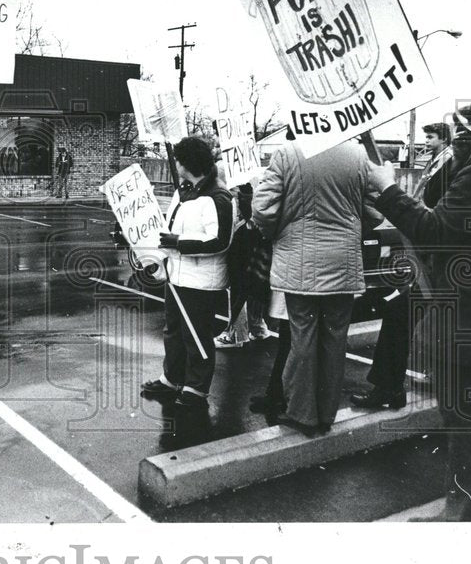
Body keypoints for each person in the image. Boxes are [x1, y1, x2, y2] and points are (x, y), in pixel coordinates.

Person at [367, 109, 471, 521]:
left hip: (468, 317)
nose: (459, 135)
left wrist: (388, 189)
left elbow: (434, 230)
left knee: (469, 426)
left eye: (467, 129)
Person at [252, 138, 377, 438]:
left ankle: (302, 413)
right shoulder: (357, 153)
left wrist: (278, 234)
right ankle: (326, 414)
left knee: (302, 336)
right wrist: (349, 229)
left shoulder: (288, 153)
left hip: (299, 261)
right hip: (343, 261)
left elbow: (263, 209)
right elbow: (374, 211)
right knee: (335, 338)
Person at [140, 136, 235, 450]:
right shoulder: (187, 193)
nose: (174, 165)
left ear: (187, 163)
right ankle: (172, 379)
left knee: (197, 335)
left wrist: (175, 243)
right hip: (178, 276)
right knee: (175, 330)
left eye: (178, 160)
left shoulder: (219, 197)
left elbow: (219, 241)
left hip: (201, 281)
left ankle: (196, 389)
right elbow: (171, 229)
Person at [215, 183, 269, 348]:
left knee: (239, 286)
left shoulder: (236, 187)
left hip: (248, 233)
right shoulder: (259, 182)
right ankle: (258, 328)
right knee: (253, 286)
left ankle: (237, 335)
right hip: (256, 235)